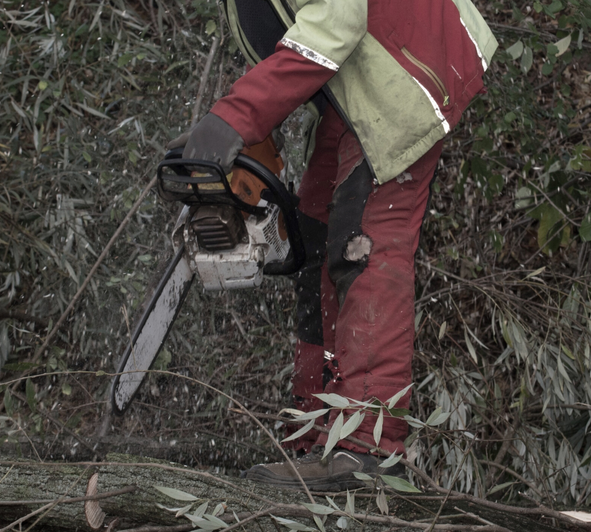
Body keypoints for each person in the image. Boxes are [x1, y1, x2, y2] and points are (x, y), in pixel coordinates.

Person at [169, 0, 498, 491]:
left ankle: (367, 447)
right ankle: (315, 430)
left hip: (408, 67)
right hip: (360, 83)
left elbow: (340, 18)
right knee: (317, 235)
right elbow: (288, 47)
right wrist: (245, 130)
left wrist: (236, 117)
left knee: (363, 246)